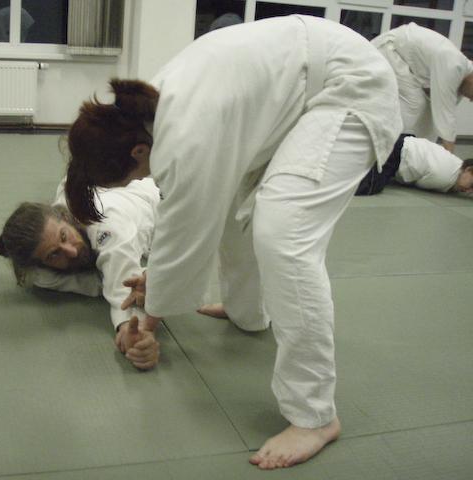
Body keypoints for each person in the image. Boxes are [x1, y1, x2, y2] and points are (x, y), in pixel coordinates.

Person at [64, 15, 402, 470]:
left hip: (350, 88)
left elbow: (183, 233)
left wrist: (149, 319)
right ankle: (249, 312)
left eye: (133, 177)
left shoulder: (182, 136)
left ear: (137, 152)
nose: (141, 180)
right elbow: (195, 220)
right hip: (302, 93)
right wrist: (158, 284)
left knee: (284, 232)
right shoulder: (146, 111)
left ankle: (315, 416)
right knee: (233, 207)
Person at [0, 178, 161, 370]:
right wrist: (144, 280)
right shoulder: (41, 275)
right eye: (54, 254)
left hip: (164, 198)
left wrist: (131, 328)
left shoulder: (105, 222)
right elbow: (105, 282)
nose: (71, 251)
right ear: (41, 264)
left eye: (64, 236)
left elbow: (122, 284)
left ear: (66, 217)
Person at [371, 22, 473, 152]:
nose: (471, 100)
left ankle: (420, 154)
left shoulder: (461, 79)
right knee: (414, 105)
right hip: (390, 49)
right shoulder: (454, 66)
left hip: (403, 58)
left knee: (425, 114)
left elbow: (439, 117)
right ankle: (392, 153)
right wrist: (451, 157)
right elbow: (445, 116)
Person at [356, 134, 473, 196]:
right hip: (397, 153)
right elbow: (419, 183)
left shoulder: (457, 163)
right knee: (370, 187)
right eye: (472, 185)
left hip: (404, 141)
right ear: (468, 169)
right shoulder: (445, 178)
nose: (468, 191)